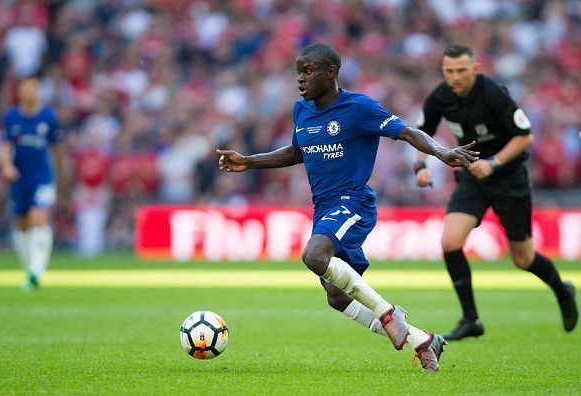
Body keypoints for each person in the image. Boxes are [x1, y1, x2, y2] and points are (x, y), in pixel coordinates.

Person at [217, 43, 480, 371]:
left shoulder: (360, 108)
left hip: (353, 201)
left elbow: (408, 132)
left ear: (330, 73)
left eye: (308, 71)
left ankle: (387, 312)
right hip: (323, 208)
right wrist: (250, 162)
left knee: (313, 256)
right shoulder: (302, 110)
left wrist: (440, 152)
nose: (300, 78)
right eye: (298, 71)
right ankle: (422, 340)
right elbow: (298, 151)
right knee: (337, 296)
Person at [414, 44, 578, 340]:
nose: (455, 77)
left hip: (508, 176)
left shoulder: (492, 92)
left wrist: (494, 162)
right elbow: (422, 134)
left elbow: (525, 137)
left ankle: (562, 290)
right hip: (472, 178)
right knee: (450, 241)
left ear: (475, 68)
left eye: (461, 70)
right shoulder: (440, 96)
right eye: (449, 71)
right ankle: (471, 320)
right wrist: (421, 166)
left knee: (523, 259)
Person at [0, 75, 66, 290]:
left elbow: (57, 149)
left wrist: (62, 174)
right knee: (21, 224)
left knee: (39, 217)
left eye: (33, 87)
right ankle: (30, 267)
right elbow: (5, 146)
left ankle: (37, 271)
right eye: (26, 87)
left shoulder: (48, 117)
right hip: (20, 178)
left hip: (42, 177)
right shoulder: (11, 117)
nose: (29, 91)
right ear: (19, 91)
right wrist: (7, 166)